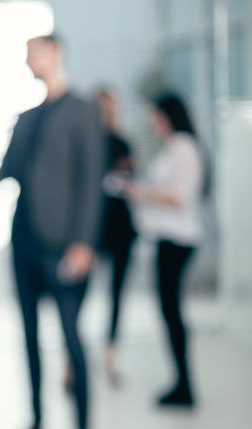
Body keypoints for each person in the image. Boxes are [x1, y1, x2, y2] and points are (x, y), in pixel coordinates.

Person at [0, 35, 105, 429]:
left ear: (55, 53)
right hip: (25, 243)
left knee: (71, 338)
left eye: (35, 53)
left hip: (63, 246)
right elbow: (4, 173)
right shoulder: (27, 117)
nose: (29, 61)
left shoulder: (83, 111)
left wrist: (83, 242)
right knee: (28, 337)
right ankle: (36, 425)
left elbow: (92, 180)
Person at [123, 92, 204, 408]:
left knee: (172, 313)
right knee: (170, 312)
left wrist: (141, 193)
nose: (153, 124)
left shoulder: (183, 147)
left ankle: (184, 385)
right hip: (167, 238)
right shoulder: (175, 147)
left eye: (156, 117)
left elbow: (180, 197)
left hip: (177, 239)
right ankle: (181, 381)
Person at [95, 88, 137, 385]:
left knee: (116, 296)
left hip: (120, 228)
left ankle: (111, 355)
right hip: (92, 228)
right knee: (77, 294)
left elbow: (130, 179)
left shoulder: (122, 142)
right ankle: (72, 359)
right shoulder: (87, 141)